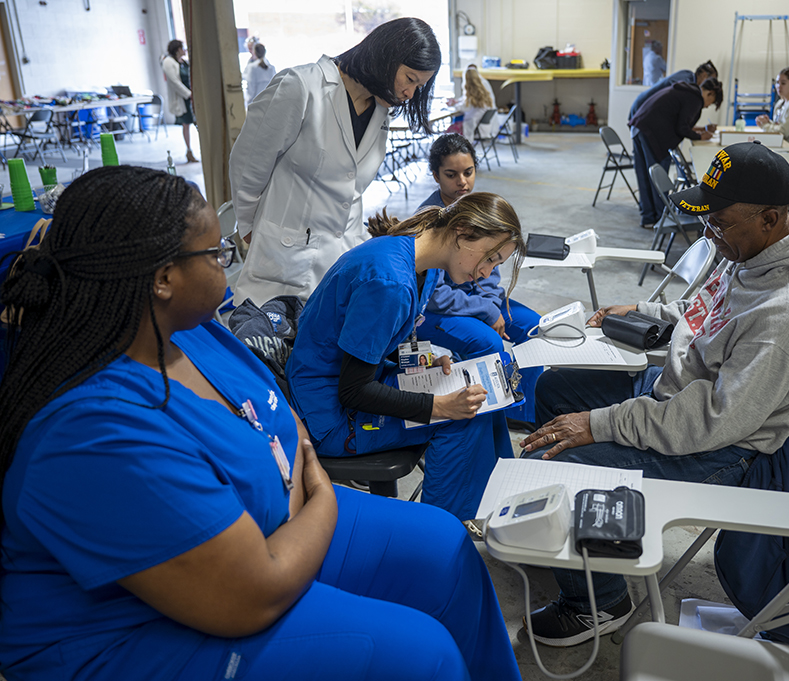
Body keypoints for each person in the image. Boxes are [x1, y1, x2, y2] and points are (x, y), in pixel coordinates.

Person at [0, 166, 521, 681]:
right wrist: (317, 492)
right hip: (145, 624)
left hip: (275, 523)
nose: (228, 265)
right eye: (217, 253)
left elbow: (284, 418)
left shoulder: (195, 333)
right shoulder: (93, 432)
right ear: (162, 279)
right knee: (422, 656)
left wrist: (300, 473)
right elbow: (252, 591)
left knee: (446, 551)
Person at [517, 141, 789, 648]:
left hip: (724, 447)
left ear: (771, 218)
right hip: (676, 396)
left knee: (572, 464)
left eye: (721, 223)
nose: (709, 234)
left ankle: (597, 604)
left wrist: (602, 424)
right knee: (554, 389)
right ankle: (591, 549)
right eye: (708, 220)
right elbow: (704, 313)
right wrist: (652, 315)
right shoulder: (752, 250)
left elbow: (711, 421)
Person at [286, 192, 526, 522]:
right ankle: (437, 535)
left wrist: (422, 360)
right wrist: (440, 407)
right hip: (327, 413)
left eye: (496, 265)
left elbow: (372, 343)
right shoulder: (391, 283)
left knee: (481, 404)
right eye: (490, 258)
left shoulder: (421, 263)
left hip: (349, 379)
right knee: (463, 420)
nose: (487, 273)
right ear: (461, 229)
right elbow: (352, 391)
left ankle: (496, 505)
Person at [229, 18, 441, 308]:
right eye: (410, 79)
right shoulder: (302, 87)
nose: (410, 94)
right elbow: (248, 163)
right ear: (386, 57)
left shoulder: (380, 112)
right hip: (282, 260)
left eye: (420, 86)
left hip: (340, 258)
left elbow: (350, 189)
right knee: (272, 345)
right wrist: (251, 228)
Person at [416, 133, 542, 425]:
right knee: (489, 343)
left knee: (534, 327)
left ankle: (522, 413)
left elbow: (491, 269)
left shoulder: (478, 207)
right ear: (435, 175)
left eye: (468, 172)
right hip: (437, 311)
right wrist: (485, 310)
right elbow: (435, 296)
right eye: (451, 174)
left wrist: (489, 303)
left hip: (478, 302)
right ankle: (492, 412)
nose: (462, 182)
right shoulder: (428, 219)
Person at [629, 76, 723, 229]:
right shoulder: (695, 99)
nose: (706, 106)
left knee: (646, 174)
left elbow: (679, 121)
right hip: (652, 132)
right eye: (710, 103)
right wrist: (700, 136)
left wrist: (701, 130)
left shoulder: (687, 91)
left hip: (640, 125)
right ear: (710, 94)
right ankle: (661, 220)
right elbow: (682, 128)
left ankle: (648, 218)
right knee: (656, 177)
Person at [629, 60, 717, 119]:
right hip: (642, 109)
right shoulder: (685, 83)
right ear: (704, 75)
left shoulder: (687, 75)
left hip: (644, 108)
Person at [161, 39, 197, 163]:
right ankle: (189, 151)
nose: (184, 50)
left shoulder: (184, 62)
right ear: (177, 49)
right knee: (186, 125)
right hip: (184, 99)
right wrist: (188, 94)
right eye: (182, 48)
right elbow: (174, 82)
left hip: (192, 96)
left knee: (197, 123)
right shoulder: (168, 62)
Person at [450, 65, 496, 141]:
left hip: (474, 126)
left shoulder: (472, 95)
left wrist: (454, 105)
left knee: (450, 131)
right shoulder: (482, 89)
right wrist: (458, 101)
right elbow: (467, 102)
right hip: (483, 126)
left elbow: (465, 107)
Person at [243, 42, 277, 107]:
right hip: (269, 103)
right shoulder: (271, 68)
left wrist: (248, 104)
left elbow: (251, 90)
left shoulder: (252, 68)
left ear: (254, 53)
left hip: (256, 104)